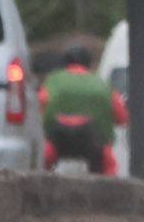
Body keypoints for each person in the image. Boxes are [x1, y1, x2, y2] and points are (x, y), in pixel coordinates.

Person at [42, 44, 119, 174]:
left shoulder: (53, 80)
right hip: (94, 144)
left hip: (58, 141)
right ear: (89, 64)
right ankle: (111, 192)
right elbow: (122, 116)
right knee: (109, 163)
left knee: (45, 157)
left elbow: (41, 103)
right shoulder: (101, 85)